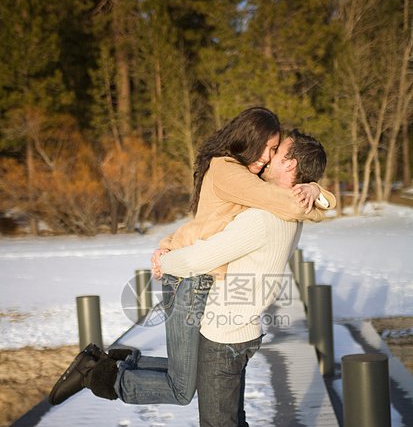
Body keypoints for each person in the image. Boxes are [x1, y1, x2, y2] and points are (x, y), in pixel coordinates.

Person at [49, 109, 334, 408]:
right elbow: (287, 203)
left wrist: (315, 188)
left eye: (275, 150)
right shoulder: (228, 170)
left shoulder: (245, 172)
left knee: (189, 377)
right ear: (250, 139)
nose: (268, 156)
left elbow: (209, 223)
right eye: (268, 147)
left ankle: (111, 361)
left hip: (196, 274)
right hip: (189, 278)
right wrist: (315, 200)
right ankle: (95, 375)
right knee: (182, 389)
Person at [157, 129, 329, 427]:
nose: (269, 157)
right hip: (243, 330)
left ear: (289, 168)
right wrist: (317, 192)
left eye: (278, 152)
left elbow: (205, 256)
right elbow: (312, 201)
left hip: (223, 332)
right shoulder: (286, 209)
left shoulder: (265, 218)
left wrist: (163, 261)